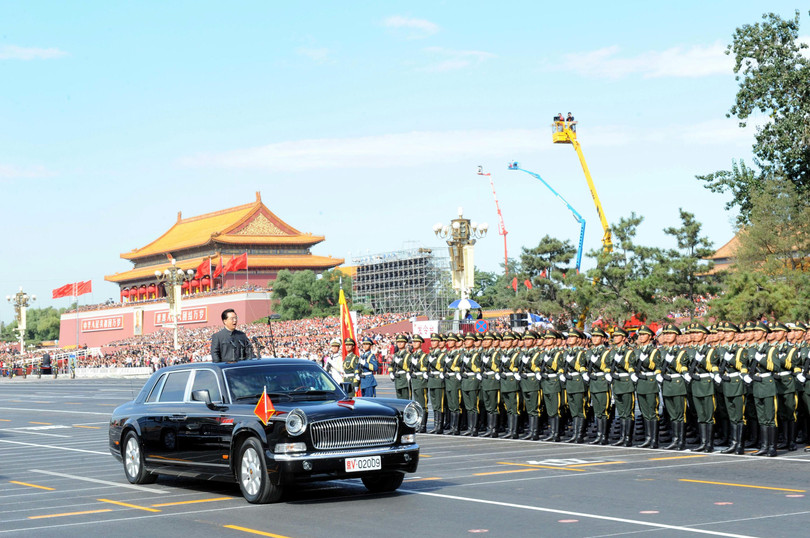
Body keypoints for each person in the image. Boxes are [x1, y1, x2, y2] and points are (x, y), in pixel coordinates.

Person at [634, 325, 661, 448]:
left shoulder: (654, 351)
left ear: (650, 337)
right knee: (644, 412)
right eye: (640, 335)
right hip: (640, 382)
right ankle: (648, 438)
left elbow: (654, 366)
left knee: (652, 412)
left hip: (650, 382)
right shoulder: (637, 350)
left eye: (643, 334)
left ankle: (654, 440)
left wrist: (644, 360)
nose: (640, 337)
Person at [608, 327, 636, 447]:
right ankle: (622, 437)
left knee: (628, 412)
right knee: (621, 412)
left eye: (618, 336)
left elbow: (632, 366)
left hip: (626, 382)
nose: (615, 338)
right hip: (616, 382)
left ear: (624, 338)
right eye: (614, 336)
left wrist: (621, 363)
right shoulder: (612, 351)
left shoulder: (629, 351)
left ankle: (628, 438)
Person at [409, 335, 430, 432]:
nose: (414, 343)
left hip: (421, 380)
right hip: (415, 380)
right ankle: (418, 424)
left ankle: (423, 425)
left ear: (420, 343)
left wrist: (415, 364)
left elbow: (424, 368)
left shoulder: (423, 355)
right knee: (417, 404)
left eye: (416, 342)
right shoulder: (412, 355)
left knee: (423, 404)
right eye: (413, 342)